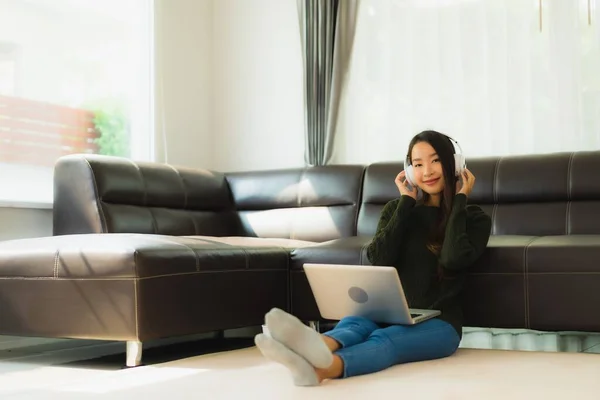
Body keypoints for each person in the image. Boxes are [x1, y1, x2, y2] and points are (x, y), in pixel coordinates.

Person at [254, 130, 492, 386]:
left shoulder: (474, 218)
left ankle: (321, 370)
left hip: (441, 325)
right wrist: (405, 203)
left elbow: (453, 258)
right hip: (388, 313)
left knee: (385, 341)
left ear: (454, 164)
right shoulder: (398, 209)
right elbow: (378, 259)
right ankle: (313, 345)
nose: (427, 172)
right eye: (418, 164)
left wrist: (459, 200)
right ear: (409, 169)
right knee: (354, 324)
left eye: (435, 161)